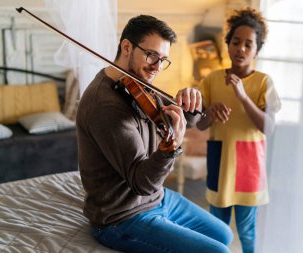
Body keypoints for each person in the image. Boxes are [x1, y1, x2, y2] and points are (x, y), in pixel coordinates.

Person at [76, 14, 233, 253]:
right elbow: (143, 183)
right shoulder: (105, 106)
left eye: (163, 60)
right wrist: (172, 147)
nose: (157, 68)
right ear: (127, 47)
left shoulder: (136, 83)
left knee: (224, 234)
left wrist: (190, 104)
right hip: (123, 216)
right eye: (151, 55)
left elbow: (176, 116)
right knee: (218, 251)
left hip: (158, 200)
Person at [196, 7, 281, 253]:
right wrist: (209, 113)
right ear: (228, 44)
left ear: (257, 50)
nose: (241, 49)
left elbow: (269, 127)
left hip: (249, 165)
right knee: (217, 229)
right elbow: (200, 125)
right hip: (220, 162)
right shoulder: (211, 80)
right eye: (236, 42)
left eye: (248, 44)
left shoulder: (264, 82)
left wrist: (243, 96)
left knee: (246, 230)